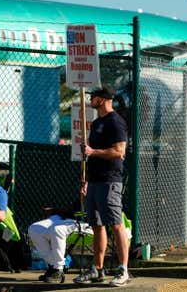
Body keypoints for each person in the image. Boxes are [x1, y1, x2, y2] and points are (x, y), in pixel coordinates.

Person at [73, 85, 131, 287]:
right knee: (97, 225)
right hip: (95, 180)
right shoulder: (96, 122)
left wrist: (93, 151)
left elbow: (119, 152)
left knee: (115, 224)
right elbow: (89, 154)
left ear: (104, 99)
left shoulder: (116, 122)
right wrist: (86, 179)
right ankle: (97, 268)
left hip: (110, 180)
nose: (90, 100)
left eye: (94, 97)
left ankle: (123, 269)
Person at [28, 200, 87, 283]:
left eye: (85, 186)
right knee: (34, 228)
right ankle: (53, 266)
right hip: (64, 218)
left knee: (57, 229)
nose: (83, 189)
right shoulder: (79, 200)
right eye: (82, 186)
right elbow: (69, 211)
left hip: (84, 222)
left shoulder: (98, 193)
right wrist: (56, 211)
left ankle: (58, 269)